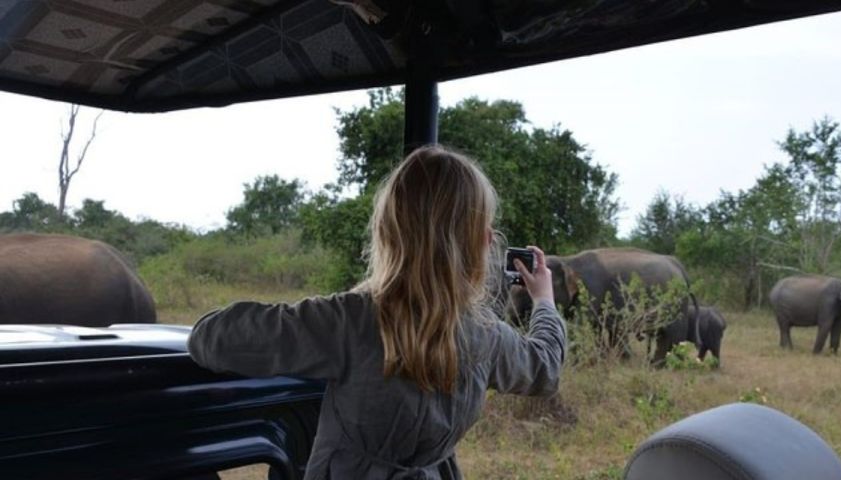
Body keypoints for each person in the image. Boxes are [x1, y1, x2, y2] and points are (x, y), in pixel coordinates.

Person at [187, 145, 566, 479]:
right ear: (482, 242)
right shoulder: (487, 336)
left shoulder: (348, 319)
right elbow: (545, 367)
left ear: (387, 231)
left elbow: (209, 338)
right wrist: (544, 300)